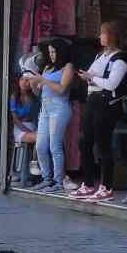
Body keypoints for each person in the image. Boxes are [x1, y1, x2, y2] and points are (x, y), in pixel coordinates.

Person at [70, 21, 127, 203]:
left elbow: (112, 84)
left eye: (103, 33)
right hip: (93, 101)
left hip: (107, 105)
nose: (100, 36)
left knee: (103, 145)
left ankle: (107, 187)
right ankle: (88, 184)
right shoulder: (101, 55)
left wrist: (92, 78)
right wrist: (89, 78)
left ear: (112, 36)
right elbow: (92, 75)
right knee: (84, 142)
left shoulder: (120, 59)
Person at [28, 40, 74, 193]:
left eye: (54, 51)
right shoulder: (48, 67)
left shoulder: (67, 67)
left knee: (55, 146)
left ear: (61, 51)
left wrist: (44, 80)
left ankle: (58, 181)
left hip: (59, 107)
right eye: (50, 52)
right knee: (40, 145)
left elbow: (61, 89)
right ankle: (46, 179)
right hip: (45, 108)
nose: (52, 55)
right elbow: (38, 92)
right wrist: (33, 83)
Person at [9, 74, 39, 187]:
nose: (24, 82)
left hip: (33, 126)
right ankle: (34, 163)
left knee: (44, 138)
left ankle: (36, 174)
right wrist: (27, 130)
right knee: (39, 137)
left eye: (27, 80)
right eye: (22, 79)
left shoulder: (34, 97)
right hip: (20, 128)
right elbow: (15, 119)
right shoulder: (14, 97)